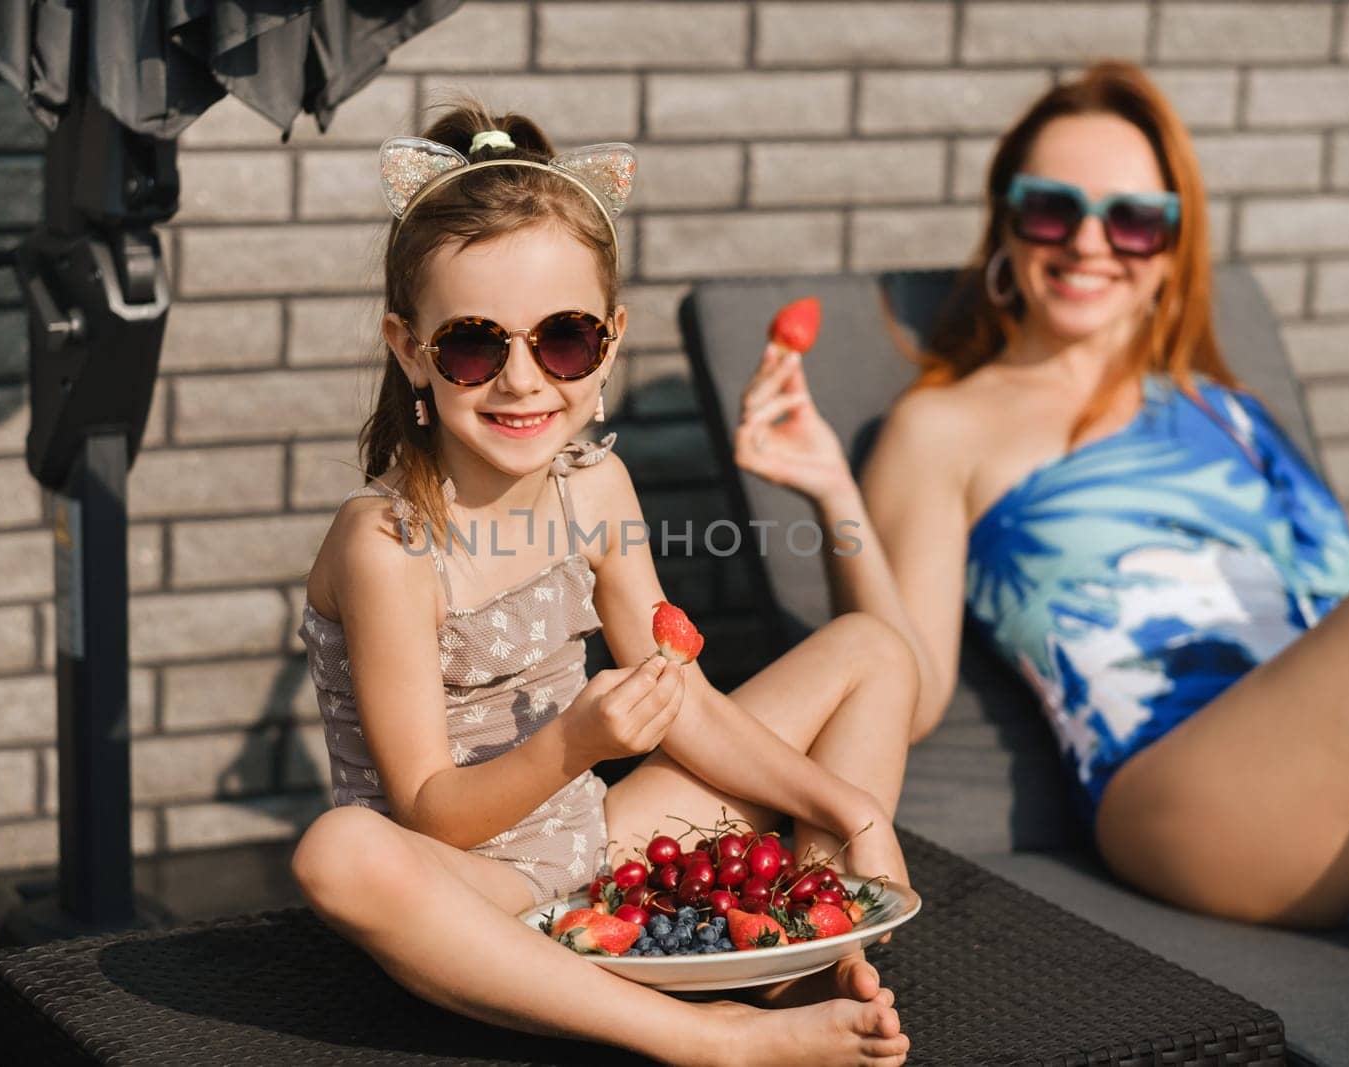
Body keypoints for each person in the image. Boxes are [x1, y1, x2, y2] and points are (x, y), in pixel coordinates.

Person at [290, 101, 917, 1065]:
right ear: (411, 348)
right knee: (339, 853)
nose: (522, 379)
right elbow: (426, 809)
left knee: (873, 652)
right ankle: (705, 1037)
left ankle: (810, 928)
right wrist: (577, 740)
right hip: (472, 892)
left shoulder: (595, 485)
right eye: (472, 343)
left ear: (609, 343)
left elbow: (686, 707)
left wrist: (848, 808)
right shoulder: (389, 542)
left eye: (563, 339)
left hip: (597, 846)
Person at [735, 60, 1349, 929]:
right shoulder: (946, 425)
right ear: (1006, 229)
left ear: (1174, 248)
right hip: (1188, 790)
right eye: (1053, 209)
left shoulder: (1231, 413)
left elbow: (1347, 612)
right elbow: (906, 693)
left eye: (1135, 221)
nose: (1090, 243)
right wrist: (831, 488)